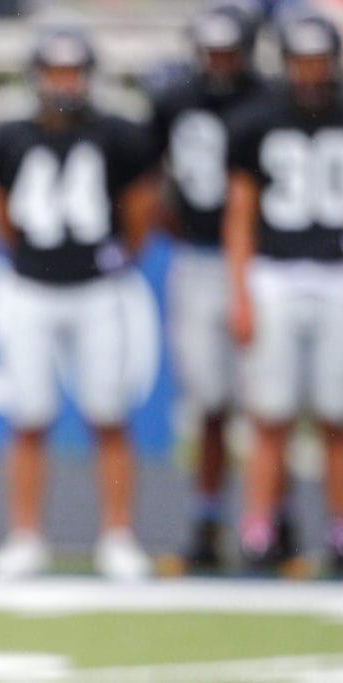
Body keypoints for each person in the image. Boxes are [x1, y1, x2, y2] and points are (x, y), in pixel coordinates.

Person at [0, 26, 158, 581]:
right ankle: (26, 536)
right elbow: (0, 213)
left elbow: (140, 210)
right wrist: (31, 261)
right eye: (55, 71)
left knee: (109, 415)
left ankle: (118, 536)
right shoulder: (8, 137)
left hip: (98, 289)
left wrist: (114, 260)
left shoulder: (118, 135)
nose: (64, 82)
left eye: (73, 71)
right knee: (28, 416)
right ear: (37, 76)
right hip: (30, 287)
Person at [147, 0, 280, 571]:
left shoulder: (272, 102)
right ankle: (208, 519)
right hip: (199, 256)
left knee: (273, 404)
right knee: (211, 401)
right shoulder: (177, 100)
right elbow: (149, 179)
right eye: (213, 51)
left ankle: (274, 522)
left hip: (268, 260)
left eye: (231, 51)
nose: (220, 63)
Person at [223, 10, 343, 576]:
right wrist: (240, 292)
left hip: (335, 272)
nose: (311, 73)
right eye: (303, 61)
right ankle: (258, 527)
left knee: (336, 416)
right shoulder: (257, 119)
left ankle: (338, 530)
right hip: (274, 270)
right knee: (269, 414)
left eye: (319, 61)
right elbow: (241, 214)